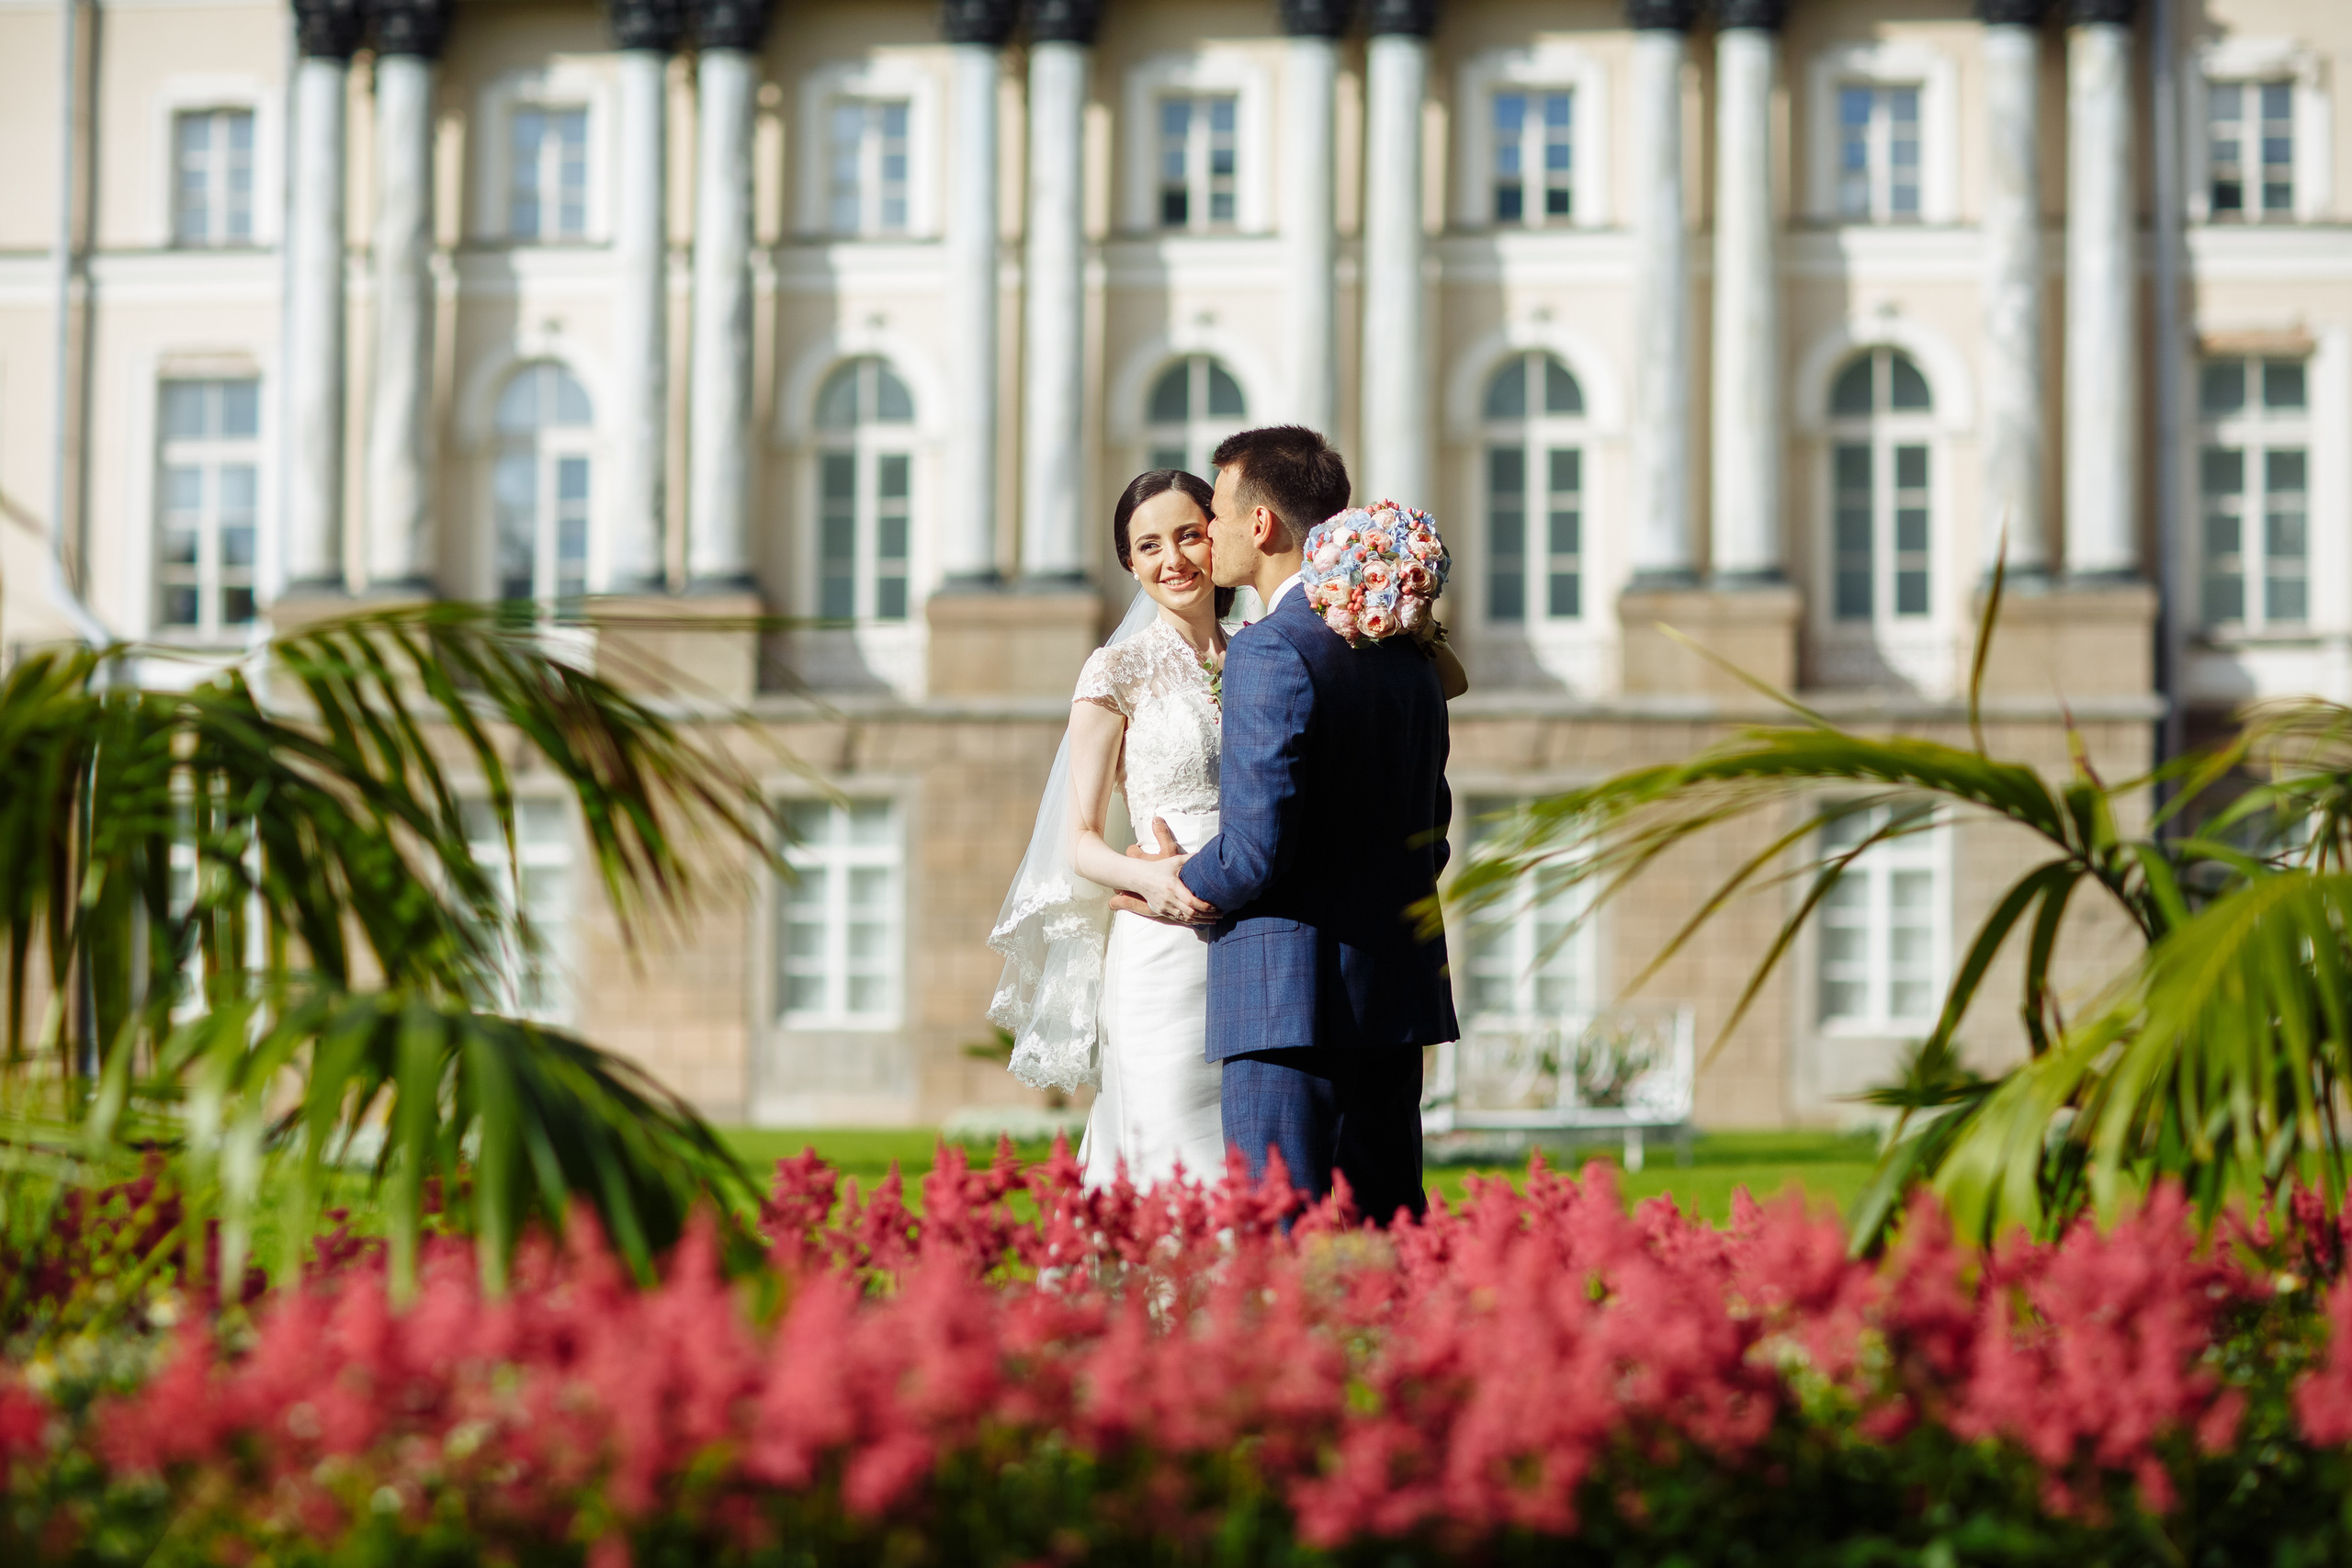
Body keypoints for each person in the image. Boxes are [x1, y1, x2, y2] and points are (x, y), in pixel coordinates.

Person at [1130, 426, 1460, 1225]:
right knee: (1387, 1238)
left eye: (1216, 514)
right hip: (1392, 993)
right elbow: (1435, 827)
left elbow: (1252, 852)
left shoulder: (1271, 650)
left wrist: (1169, 885)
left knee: (1283, 1243)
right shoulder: (1408, 651)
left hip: (1286, 1004)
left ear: (1261, 526)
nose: (1204, 534)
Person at [987, 469, 1233, 1186]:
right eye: (1149, 545)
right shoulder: (1115, 670)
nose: (1174, 560)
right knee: (1164, 1153)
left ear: (1215, 536)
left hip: (1254, 941)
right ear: (1130, 563)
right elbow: (1082, 840)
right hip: (1163, 950)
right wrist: (1151, 879)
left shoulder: (1261, 650)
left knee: (1238, 1167)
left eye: (1189, 535)